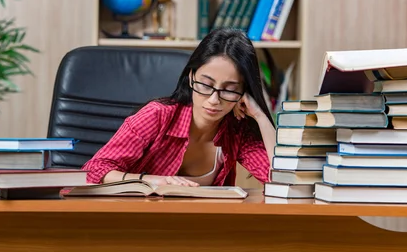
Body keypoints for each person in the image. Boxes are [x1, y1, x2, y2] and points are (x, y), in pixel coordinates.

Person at [81, 28, 276, 187]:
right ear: (191, 76)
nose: (214, 99)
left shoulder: (236, 131)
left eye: (230, 90)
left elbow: (282, 181)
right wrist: (152, 180)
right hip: (137, 223)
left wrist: (259, 115)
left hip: (199, 229)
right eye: (206, 85)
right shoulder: (157, 115)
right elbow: (93, 170)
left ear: (243, 92)